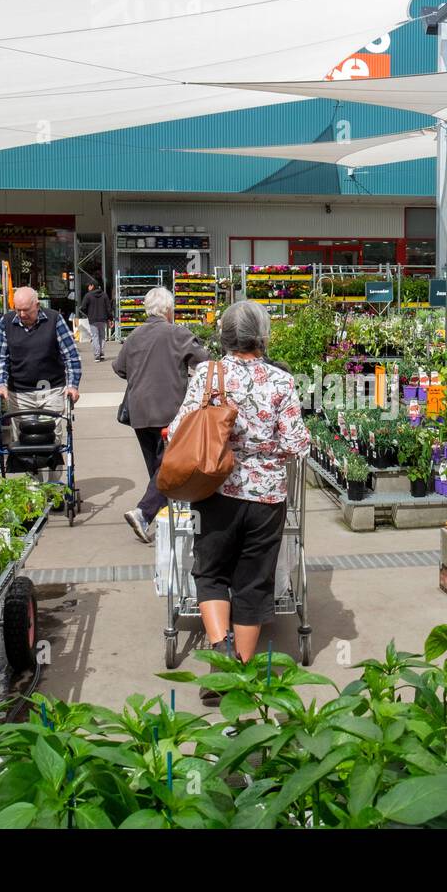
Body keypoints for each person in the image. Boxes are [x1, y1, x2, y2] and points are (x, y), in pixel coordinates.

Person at [166, 300, 309, 698]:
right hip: (266, 498)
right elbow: (297, 444)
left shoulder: (207, 376)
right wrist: (267, 452)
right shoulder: (281, 382)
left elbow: (179, 428)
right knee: (253, 582)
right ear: (262, 336)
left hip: (216, 490)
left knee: (210, 571)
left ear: (225, 336)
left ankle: (220, 653)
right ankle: (241, 674)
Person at [113, 287, 209, 544]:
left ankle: (159, 514)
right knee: (170, 468)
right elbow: (205, 361)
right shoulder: (177, 333)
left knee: (159, 468)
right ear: (169, 309)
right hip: (170, 410)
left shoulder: (133, 335)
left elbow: (119, 368)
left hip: (139, 412)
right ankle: (144, 513)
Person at [0, 286, 81, 473]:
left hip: (51, 389)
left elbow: (71, 356)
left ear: (37, 305)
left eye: (26, 310)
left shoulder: (54, 319)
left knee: (51, 437)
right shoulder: (6, 323)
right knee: (24, 440)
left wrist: (72, 385)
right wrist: (1, 385)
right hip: (19, 392)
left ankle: (53, 487)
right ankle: (31, 489)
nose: (22, 314)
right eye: (18, 309)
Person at [78, 282, 114, 362]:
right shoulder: (104, 295)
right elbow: (108, 308)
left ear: (92, 286)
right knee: (102, 336)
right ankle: (101, 353)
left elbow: (83, 307)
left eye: (89, 285)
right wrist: (110, 319)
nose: (88, 287)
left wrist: (88, 314)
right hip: (103, 319)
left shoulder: (88, 295)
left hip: (93, 319)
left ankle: (97, 355)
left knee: (95, 336)